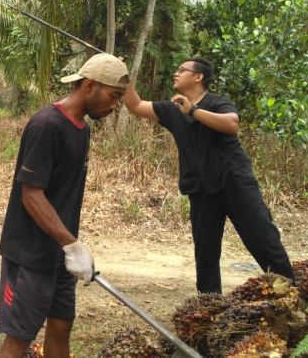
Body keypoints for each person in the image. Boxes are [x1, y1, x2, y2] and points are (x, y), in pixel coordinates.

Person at [122, 56, 294, 294]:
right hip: (201, 189)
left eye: (182, 70)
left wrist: (193, 110)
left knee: (264, 241)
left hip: (235, 183)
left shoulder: (216, 102)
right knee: (206, 254)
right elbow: (135, 106)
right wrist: (123, 76)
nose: (176, 73)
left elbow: (231, 124)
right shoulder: (172, 109)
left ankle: (293, 296)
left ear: (198, 77)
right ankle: (209, 309)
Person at [0, 53, 130, 358]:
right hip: (30, 253)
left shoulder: (81, 129)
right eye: (114, 96)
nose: (115, 105)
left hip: (60, 255)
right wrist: (71, 244)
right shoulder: (47, 125)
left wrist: (69, 248)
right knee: (20, 337)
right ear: (90, 86)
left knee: (60, 327)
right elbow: (31, 195)